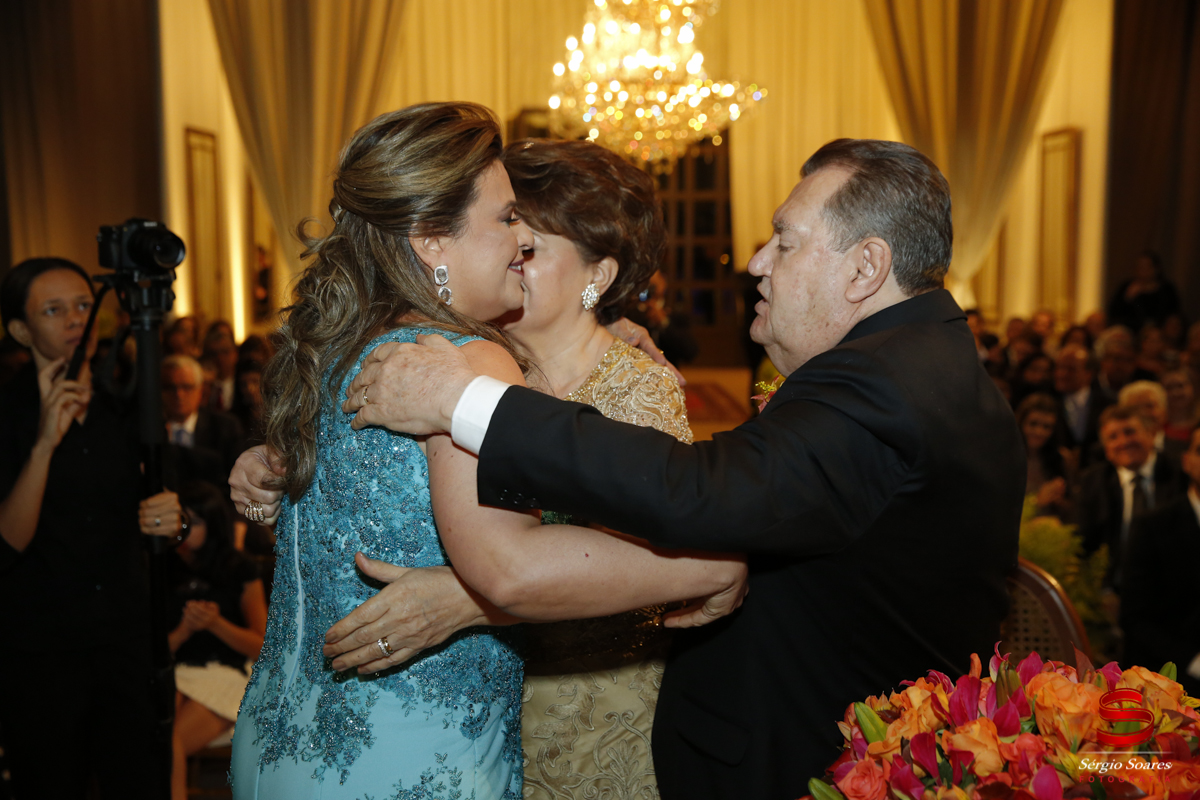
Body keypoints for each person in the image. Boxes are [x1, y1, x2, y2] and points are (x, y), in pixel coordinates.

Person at [323, 138, 1027, 799]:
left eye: (784, 241)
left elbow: (703, 493)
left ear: (866, 267)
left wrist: (467, 401)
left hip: (810, 758)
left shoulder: (883, 386)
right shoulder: (914, 365)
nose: (756, 262)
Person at [228, 103, 745, 799]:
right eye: (505, 218)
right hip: (411, 754)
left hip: (283, 742)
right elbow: (510, 567)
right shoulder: (464, 358)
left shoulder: (335, 346)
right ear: (431, 239)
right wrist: (706, 567)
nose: (522, 238)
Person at [0, 258, 186, 799]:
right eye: (53, 310)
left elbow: (169, 513)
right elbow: (8, 542)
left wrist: (177, 522)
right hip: (40, 654)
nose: (75, 319)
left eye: (84, 305)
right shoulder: (8, 415)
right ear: (19, 330)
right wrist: (44, 444)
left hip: (127, 643)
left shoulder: (126, 407)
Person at [168, 480, 267, 800]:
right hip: (174, 670)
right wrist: (184, 630)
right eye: (179, 520)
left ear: (213, 523)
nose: (183, 529)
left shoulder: (239, 569)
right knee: (153, 736)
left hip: (225, 672)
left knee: (171, 742)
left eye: (193, 522)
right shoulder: (161, 568)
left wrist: (215, 624)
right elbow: (151, 648)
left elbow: (263, 646)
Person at [1120, 424, 1200, 696]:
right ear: (1187, 461)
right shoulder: (1154, 526)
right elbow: (1134, 617)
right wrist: (1193, 661)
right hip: (1175, 678)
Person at [1073, 405, 1187, 593]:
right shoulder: (1093, 482)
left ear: (1151, 434)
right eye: (1113, 437)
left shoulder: (1179, 473)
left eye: (1130, 432)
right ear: (1107, 449)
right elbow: (1083, 543)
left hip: (1176, 588)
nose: (1124, 442)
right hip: (1116, 590)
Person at [163, 353, 246, 476]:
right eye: (171, 387)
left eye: (186, 387)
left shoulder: (225, 428)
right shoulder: (146, 429)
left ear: (200, 390)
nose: (179, 395)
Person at [1015, 393, 1070, 518]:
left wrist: (1058, 499)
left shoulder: (1060, 459)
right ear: (1021, 423)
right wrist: (1037, 501)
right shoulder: (1006, 458)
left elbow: (1074, 509)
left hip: (1050, 528)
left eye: (1046, 427)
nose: (1039, 432)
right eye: (1033, 424)